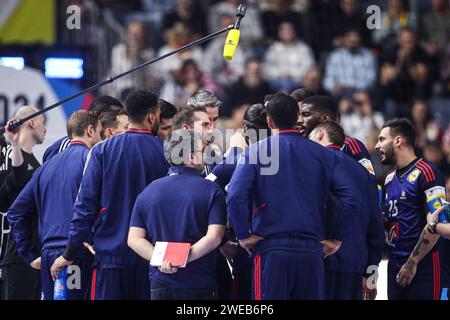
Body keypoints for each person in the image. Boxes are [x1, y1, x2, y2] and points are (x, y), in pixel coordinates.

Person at [227, 93, 359, 299]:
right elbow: (351, 197)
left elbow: (235, 195)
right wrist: (337, 239)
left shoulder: (255, 152)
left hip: (271, 249)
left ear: (269, 121)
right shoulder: (323, 154)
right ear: (298, 116)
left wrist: (243, 235)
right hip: (312, 251)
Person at [50, 90, 170, 300]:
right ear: (152, 117)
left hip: (109, 260)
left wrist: (69, 253)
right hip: (151, 259)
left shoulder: (102, 151)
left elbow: (84, 207)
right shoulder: (164, 154)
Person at [7, 110, 102, 300]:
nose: (101, 139)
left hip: (49, 255)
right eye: (100, 132)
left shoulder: (45, 168)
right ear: (90, 130)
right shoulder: (90, 160)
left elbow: (15, 212)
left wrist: (30, 255)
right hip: (74, 254)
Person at [128, 129, 226, 300]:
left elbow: (134, 239)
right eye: (202, 150)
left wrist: (163, 260)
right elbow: (215, 237)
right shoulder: (211, 191)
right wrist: (182, 259)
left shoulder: (147, 192)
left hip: (161, 283)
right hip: (199, 283)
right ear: (191, 157)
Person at [308, 121, 384, 300]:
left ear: (320, 134)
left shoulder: (315, 163)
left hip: (322, 259)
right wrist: (370, 270)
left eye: (310, 137)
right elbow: (376, 226)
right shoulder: (365, 174)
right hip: (356, 266)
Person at [375, 118, 445, 300]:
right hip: (394, 265)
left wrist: (412, 262)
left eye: (382, 139)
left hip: (423, 266)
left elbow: (438, 221)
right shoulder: (389, 179)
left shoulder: (427, 172)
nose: (376, 145)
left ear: (398, 141)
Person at [207, 103, 270, 300]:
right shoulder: (286, 161)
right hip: (278, 245)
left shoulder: (232, 164)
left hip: (246, 244)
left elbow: (206, 194)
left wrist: (225, 238)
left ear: (244, 130)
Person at [0, 106, 47, 300]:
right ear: (32, 122)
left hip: (31, 253)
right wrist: (15, 145)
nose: (45, 129)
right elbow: (5, 198)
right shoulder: (8, 152)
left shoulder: (36, 164)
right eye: (43, 123)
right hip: (13, 253)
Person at [299, 95, 375, 176]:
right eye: (299, 115)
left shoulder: (349, 145)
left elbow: (369, 178)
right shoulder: (302, 147)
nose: (299, 120)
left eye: (306, 114)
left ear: (325, 118)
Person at [43, 95, 124, 162]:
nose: (119, 121)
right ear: (99, 116)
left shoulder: (105, 149)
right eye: (116, 117)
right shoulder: (62, 148)